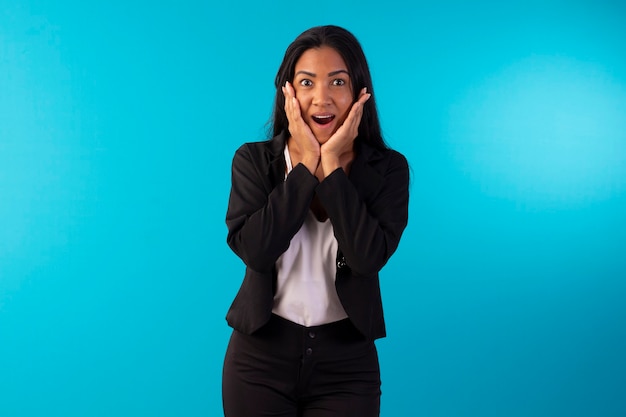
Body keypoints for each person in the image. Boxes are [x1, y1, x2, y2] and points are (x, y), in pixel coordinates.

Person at [222, 25, 409, 417]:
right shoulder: (253, 162)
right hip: (259, 359)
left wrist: (333, 170)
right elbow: (256, 251)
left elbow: (366, 258)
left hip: (347, 363)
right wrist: (306, 165)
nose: (321, 99)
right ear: (288, 92)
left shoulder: (389, 169)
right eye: (307, 82)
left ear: (360, 92)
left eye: (337, 82)